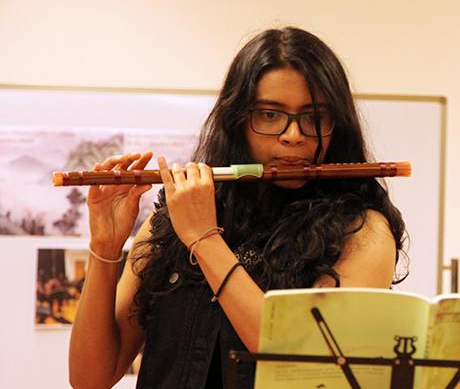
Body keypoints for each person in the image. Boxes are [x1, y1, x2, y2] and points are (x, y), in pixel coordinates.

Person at [68, 27, 407, 389]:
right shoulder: (173, 218)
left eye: (313, 117)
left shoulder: (360, 231)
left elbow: (308, 369)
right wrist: (104, 245)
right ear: (238, 120)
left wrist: (204, 239)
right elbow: (91, 379)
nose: (293, 135)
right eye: (270, 115)